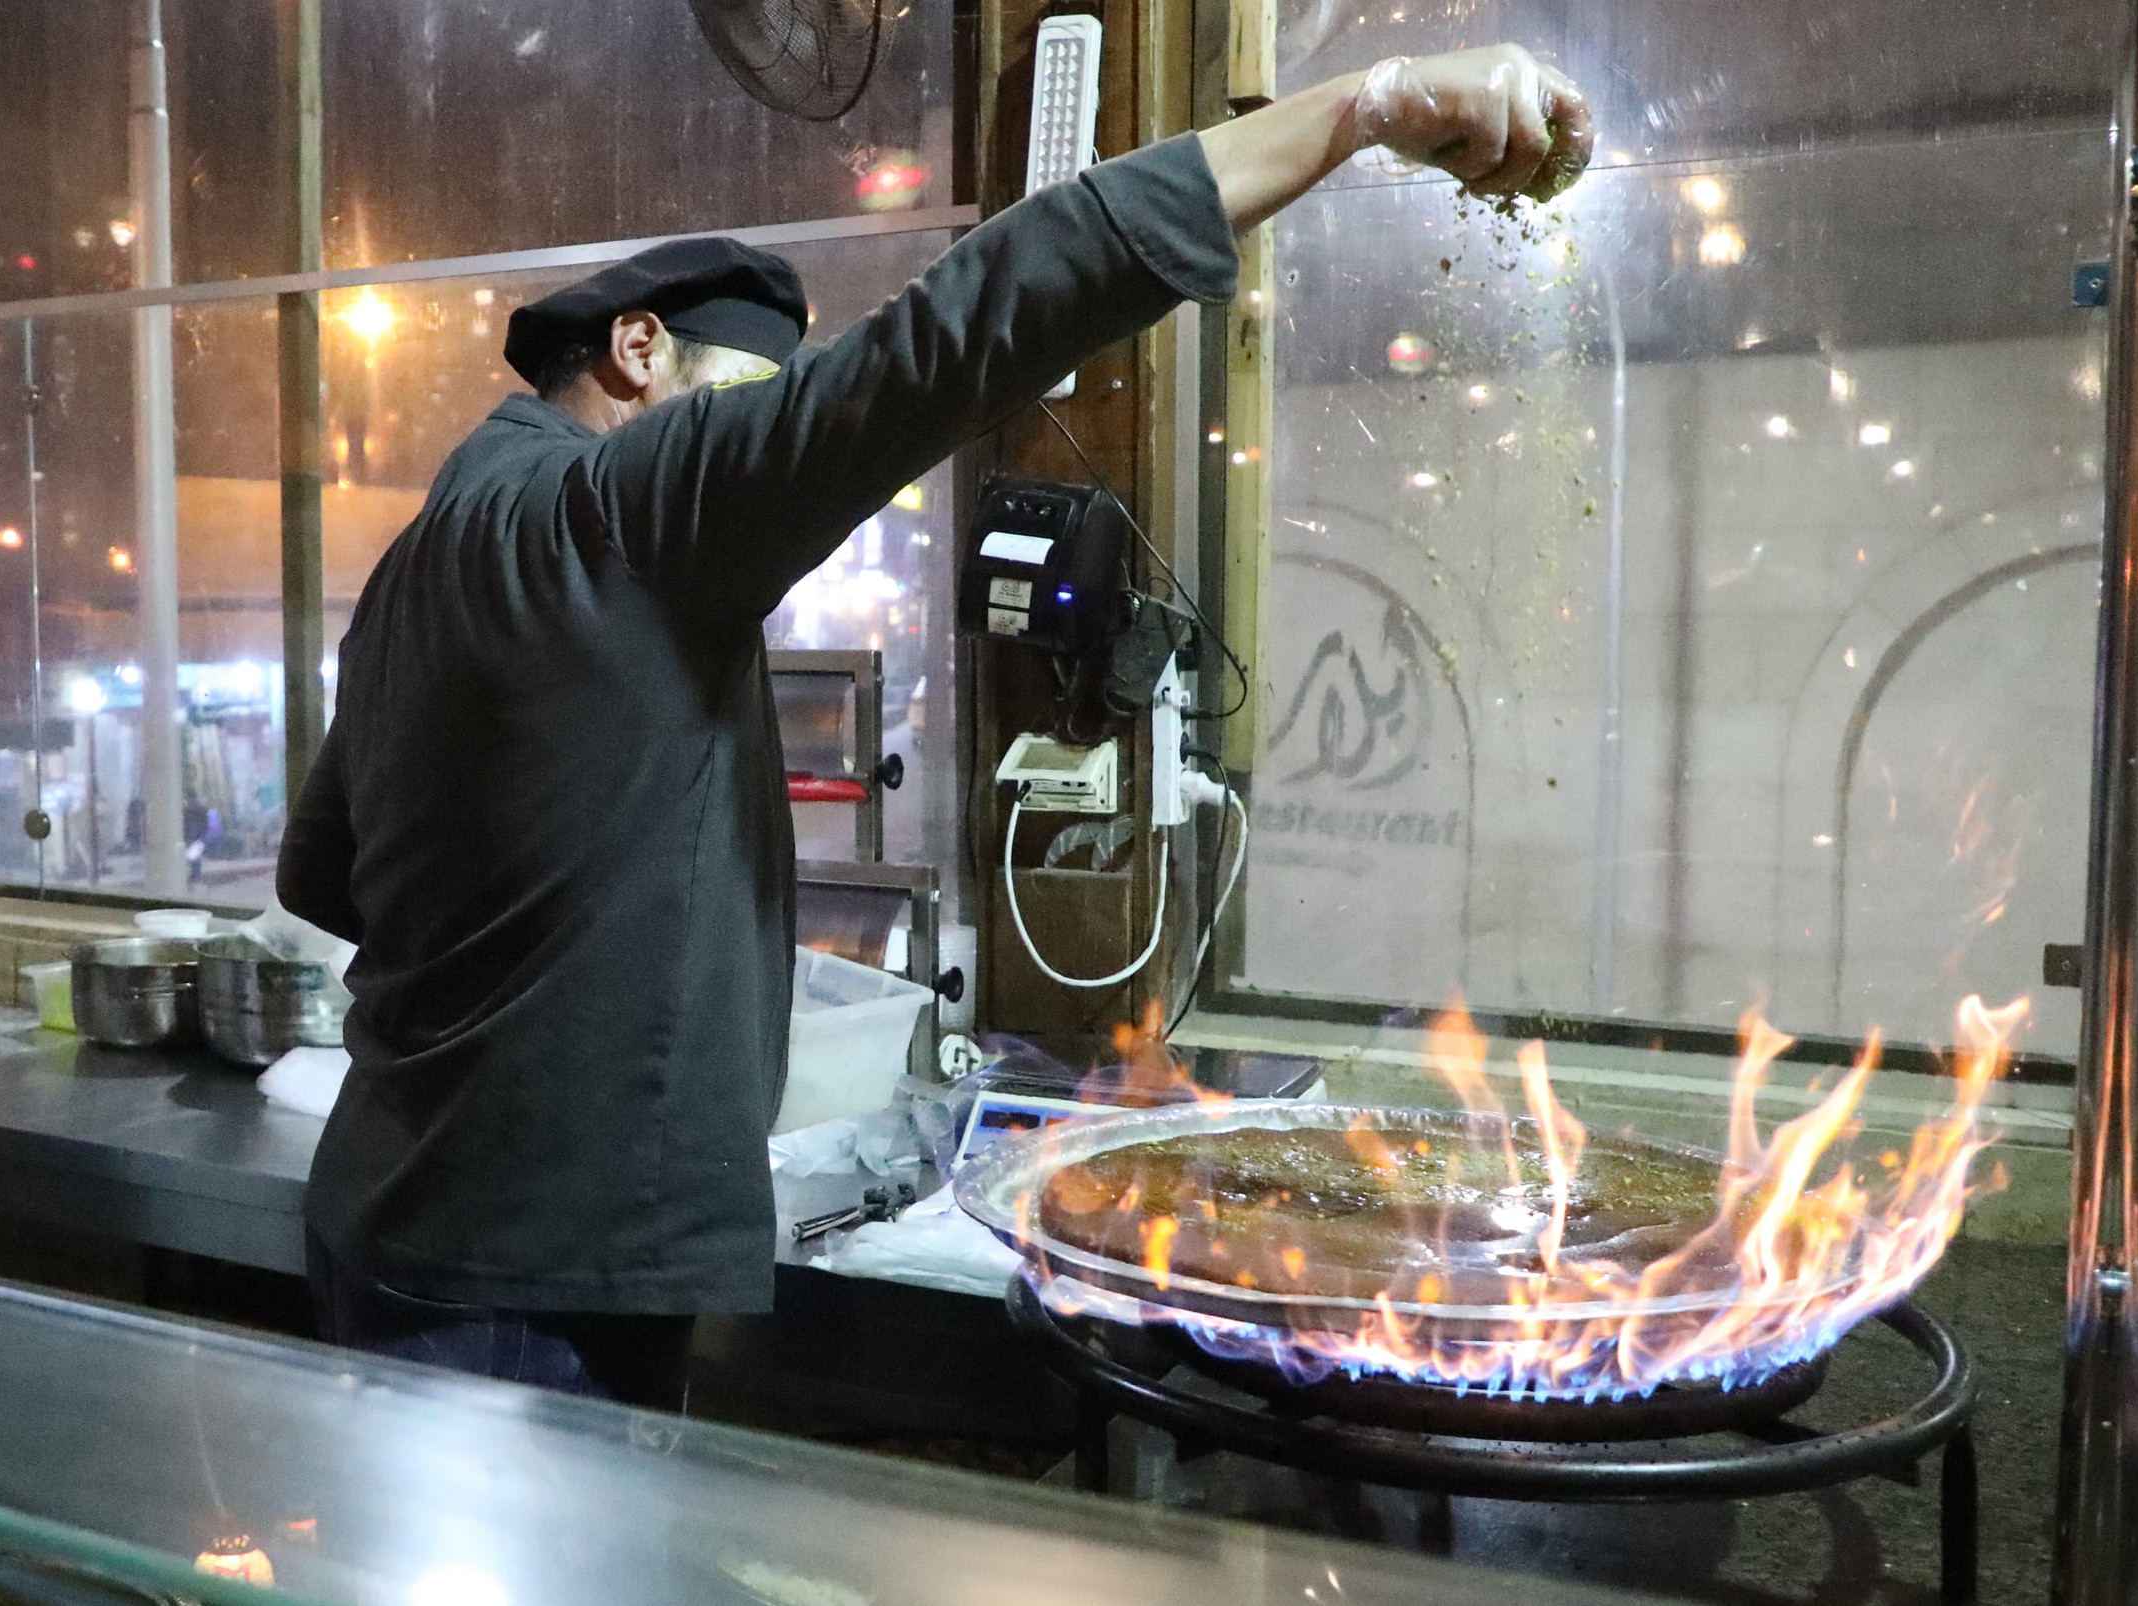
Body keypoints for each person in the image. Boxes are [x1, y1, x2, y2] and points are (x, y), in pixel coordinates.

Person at [278, 46, 1593, 1405]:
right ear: (637, 351)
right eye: (740, 409)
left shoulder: (420, 564)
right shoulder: (619, 515)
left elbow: (323, 873)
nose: (753, 455)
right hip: (539, 1280)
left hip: (390, 1214)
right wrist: (1361, 111)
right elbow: (948, 338)